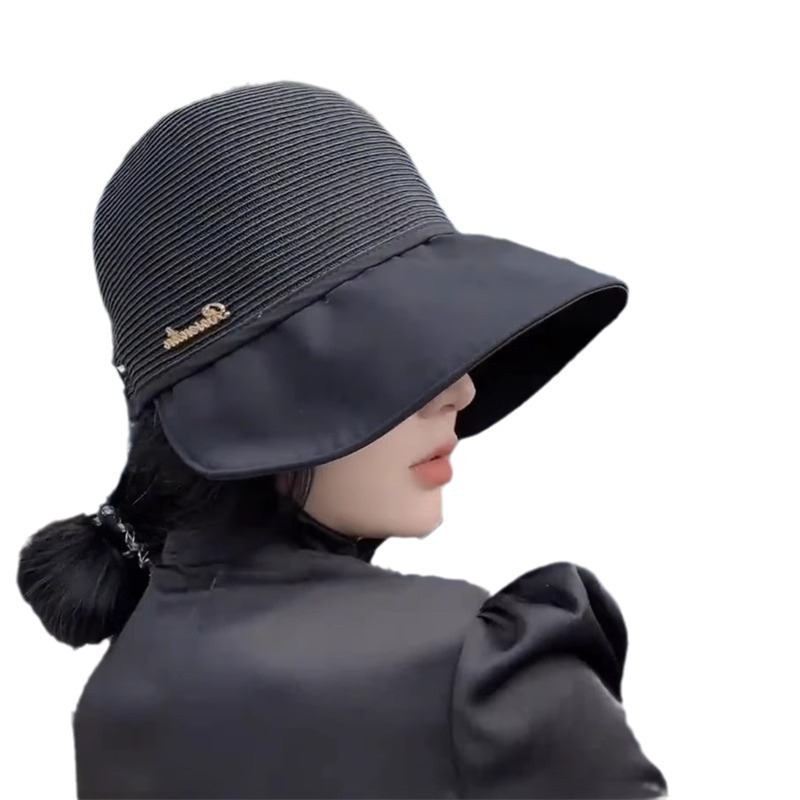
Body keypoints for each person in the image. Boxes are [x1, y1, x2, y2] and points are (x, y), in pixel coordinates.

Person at [16, 80, 668, 799]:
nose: (460, 390)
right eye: (393, 351)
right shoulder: (487, 680)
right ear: (258, 399)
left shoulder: (116, 700)